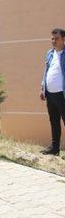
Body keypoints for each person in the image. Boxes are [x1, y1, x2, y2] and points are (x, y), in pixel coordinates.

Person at [40, 28, 65, 156]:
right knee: (54, 121)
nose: (54, 41)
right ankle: (55, 148)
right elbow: (46, 71)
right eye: (52, 38)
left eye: (57, 39)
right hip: (50, 94)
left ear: (63, 39)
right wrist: (43, 88)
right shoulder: (50, 53)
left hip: (62, 94)